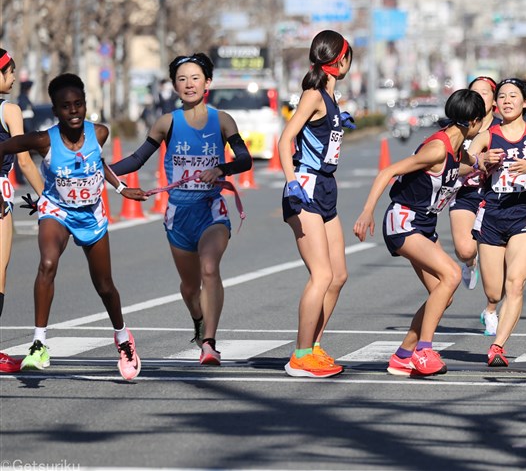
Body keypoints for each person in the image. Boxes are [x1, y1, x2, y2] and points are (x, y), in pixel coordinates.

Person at [0, 73, 147, 380]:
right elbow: (6, 147)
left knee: (104, 285)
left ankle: (123, 339)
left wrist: (121, 189)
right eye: (66, 106)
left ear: (85, 105)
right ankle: (39, 343)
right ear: (55, 110)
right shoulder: (43, 140)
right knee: (47, 264)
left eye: (78, 104)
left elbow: (98, 163)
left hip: (90, 214)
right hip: (56, 210)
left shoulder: (101, 133)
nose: (74, 111)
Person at [112, 53, 252, 366]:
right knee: (190, 287)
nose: (189, 84)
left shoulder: (223, 120)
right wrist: (101, 169)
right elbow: (136, 159)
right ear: (175, 86)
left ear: (208, 83)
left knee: (209, 269)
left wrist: (221, 168)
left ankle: (210, 344)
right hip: (178, 215)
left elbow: (245, 159)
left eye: (195, 78)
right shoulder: (166, 123)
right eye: (182, 79)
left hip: (211, 209)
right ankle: (199, 321)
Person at [354, 89, 486, 377]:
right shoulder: (438, 148)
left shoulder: (456, 145)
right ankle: (424, 351)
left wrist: (479, 164)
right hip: (404, 221)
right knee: (451, 275)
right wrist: (367, 212)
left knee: (443, 293)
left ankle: (403, 355)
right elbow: (387, 171)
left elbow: (458, 164)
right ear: (474, 122)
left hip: (424, 226)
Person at [467, 78, 526, 367]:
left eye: (514, 96)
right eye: (503, 97)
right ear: (496, 105)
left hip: (523, 212)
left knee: (517, 284)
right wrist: (482, 161)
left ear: (525, 102)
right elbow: (462, 167)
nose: (507, 101)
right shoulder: (488, 135)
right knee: (494, 290)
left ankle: (498, 346)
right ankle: (490, 309)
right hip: (492, 212)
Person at [278, 30, 355, 378]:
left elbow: (321, 136)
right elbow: (285, 140)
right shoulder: (313, 94)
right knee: (321, 274)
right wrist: (291, 182)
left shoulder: (329, 95)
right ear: (340, 59)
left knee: (338, 275)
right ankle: (300, 355)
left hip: (326, 188)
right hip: (305, 187)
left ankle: (315, 346)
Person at [0, 49, 45, 373]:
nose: (14, 77)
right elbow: (25, 158)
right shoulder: (9, 109)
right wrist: (47, 194)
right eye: (10, 71)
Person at [447, 77, 501, 329]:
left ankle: (491, 310)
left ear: (495, 99)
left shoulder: (505, 128)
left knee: (502, 264)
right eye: (474, 92)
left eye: (485, 93)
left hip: (497, 196)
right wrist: (479, 160)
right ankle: (470, 262)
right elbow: (447, 163)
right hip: (465, 193)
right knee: (466, 250)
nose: (480, 97)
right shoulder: (459, 128)